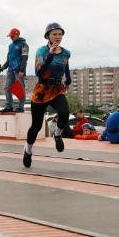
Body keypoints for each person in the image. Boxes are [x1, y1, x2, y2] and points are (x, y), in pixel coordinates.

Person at [23, 23, 72, 167]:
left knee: (64, 113)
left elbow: (65, 66)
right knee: (36, 126)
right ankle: (28, 150)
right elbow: (39, 71)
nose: (58, 37)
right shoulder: (41, 51)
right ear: (48, 36)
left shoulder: (66, 52)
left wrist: (68, 80)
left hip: (57, 89)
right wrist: (50, 54)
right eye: (54, 34)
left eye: (60, 34)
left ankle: (57, 134)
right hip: (42, 91)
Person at [0, 28, 29, 112]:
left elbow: (24, 57)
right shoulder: (10, 46)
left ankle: (21, 107)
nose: (11, 38)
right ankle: (9, 106)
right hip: (10, 70)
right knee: (7, 88)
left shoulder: (24, 45)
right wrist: (3, 67)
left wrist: (22, 70)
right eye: (10, 36)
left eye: (12, 36)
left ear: (17, 35)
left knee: (20, 88)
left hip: (19, 70)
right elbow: (8, 59)